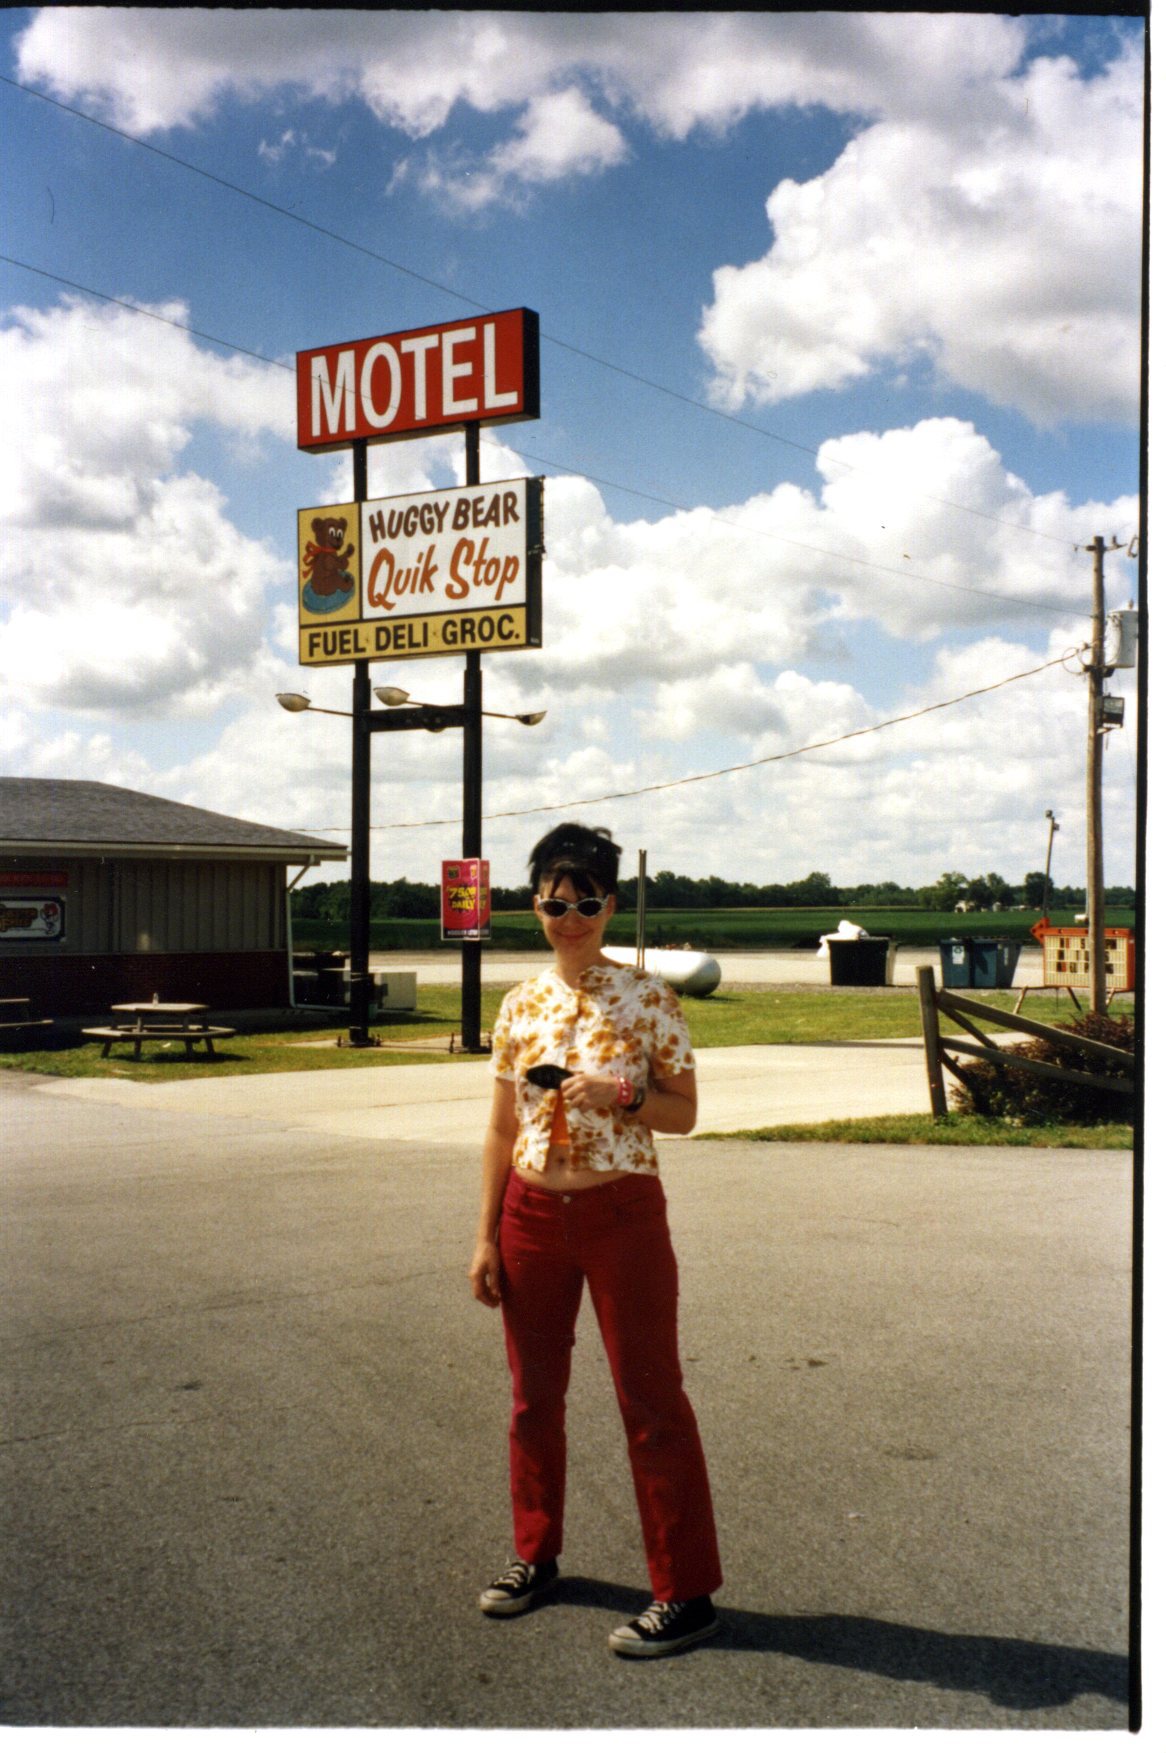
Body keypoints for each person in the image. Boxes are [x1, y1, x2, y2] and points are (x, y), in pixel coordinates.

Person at [468, 822, 722, 1658]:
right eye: (552, 899)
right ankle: (535, 1557)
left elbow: (685, 1113)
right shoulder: (519, 1005)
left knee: (651, 1401)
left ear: (609, 905)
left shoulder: (649, 998)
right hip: (531, 1218)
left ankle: (685, 1593)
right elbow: (501, 1126)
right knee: (532, 1399)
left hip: (622, 1215)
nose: (568, 914)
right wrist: (485, 1237)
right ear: (533, 904)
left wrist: (625, 1098)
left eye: (584, 900)